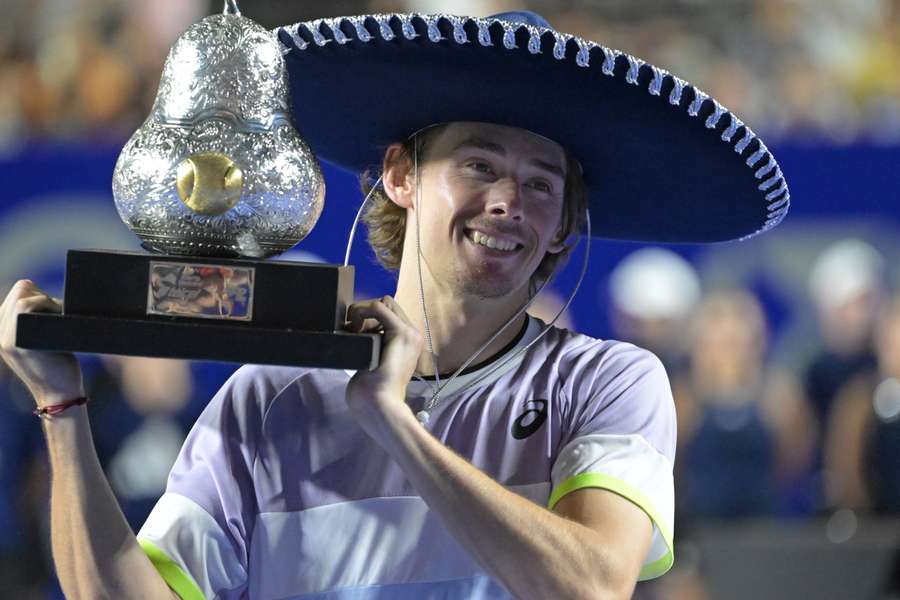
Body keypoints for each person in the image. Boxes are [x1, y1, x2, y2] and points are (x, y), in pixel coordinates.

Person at [0, 9, 789, 600]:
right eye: (479, 164)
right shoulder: (265, 400)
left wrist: (395, 424)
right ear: (401, 177)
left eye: (542, 184)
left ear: (562, 225)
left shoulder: (610, 382)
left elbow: (592, 585)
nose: (509, 201)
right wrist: (62, 412)